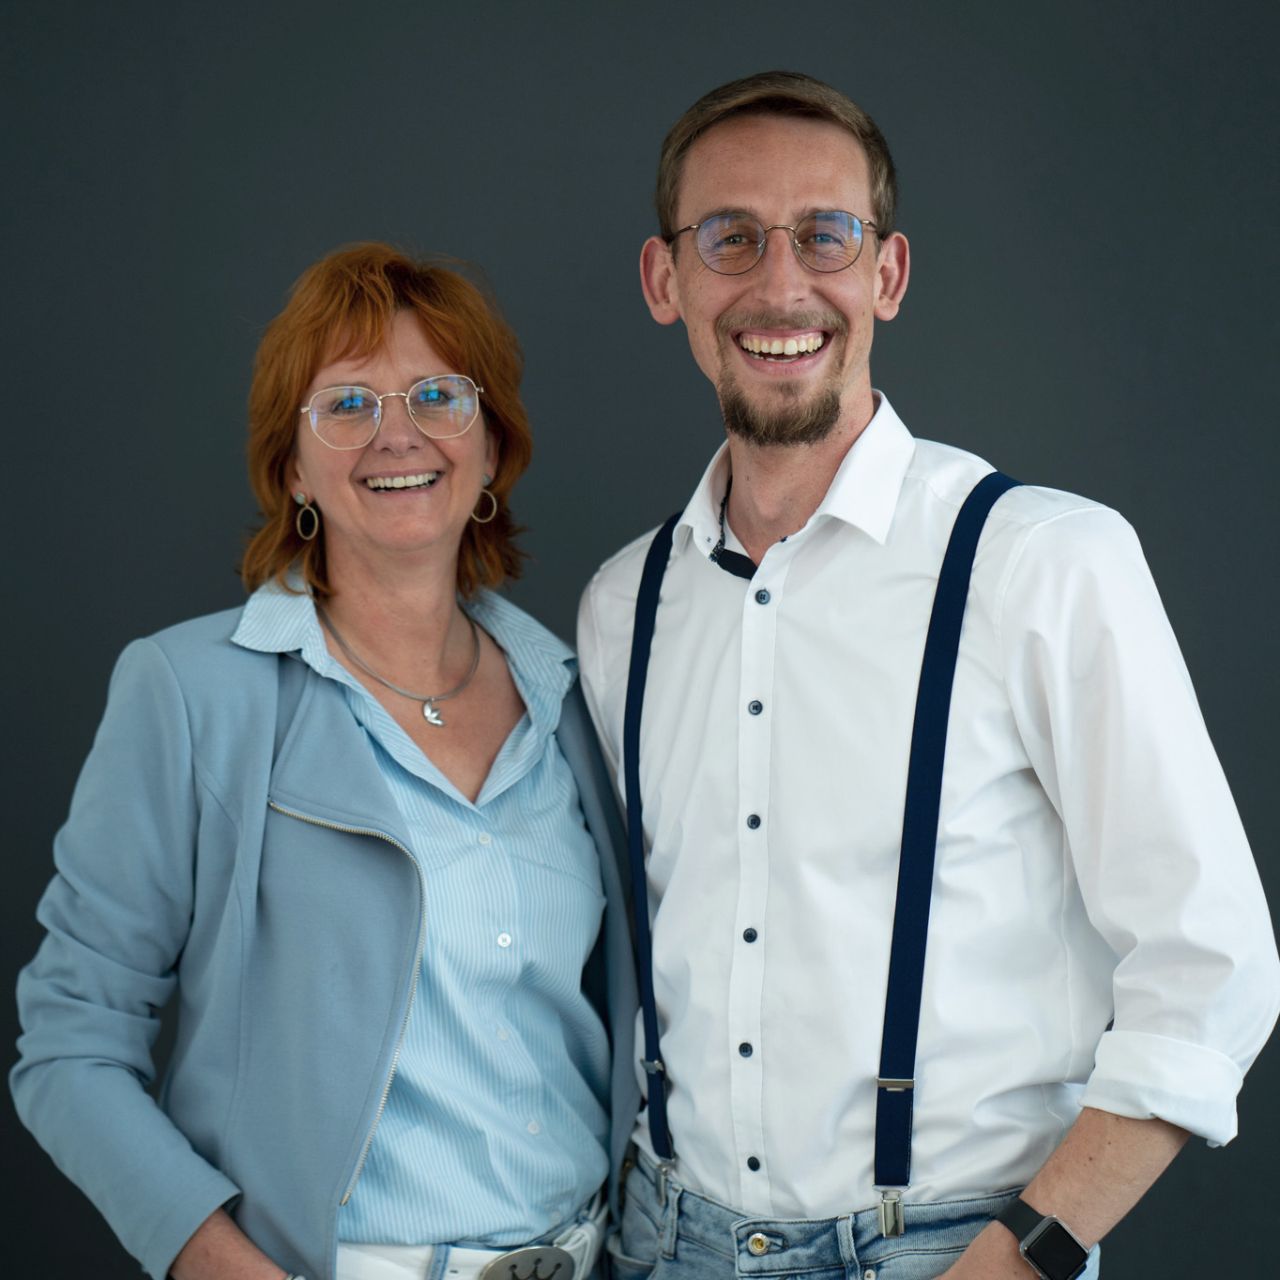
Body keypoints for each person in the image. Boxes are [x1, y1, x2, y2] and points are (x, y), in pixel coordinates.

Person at [577, 71, 1279, 1280]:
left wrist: (1025, 1252)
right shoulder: (620, 606)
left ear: (886, 274)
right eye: (730, 237)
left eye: (825, 235)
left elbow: (1210, 965)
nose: (780, 285)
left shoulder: (1042, 561)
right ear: (664, 280)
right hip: (663, 1241)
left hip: (953, 1248)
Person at [12, 243, 638, 1280]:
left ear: (489, 446)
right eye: (346, 404)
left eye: (439, 395)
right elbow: (68, 1048)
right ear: (293, 467)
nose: (398, 433)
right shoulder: (193, 695)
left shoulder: (574, 696)